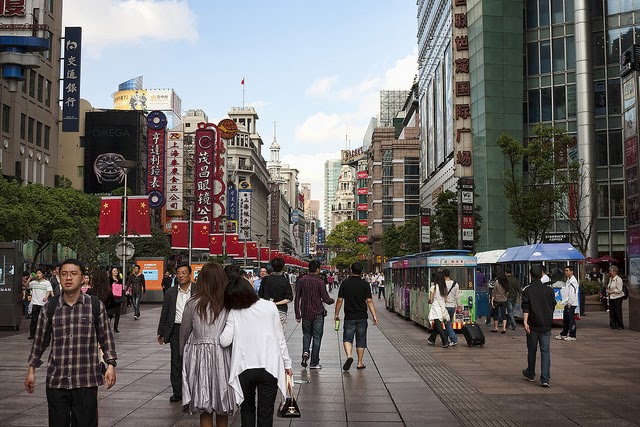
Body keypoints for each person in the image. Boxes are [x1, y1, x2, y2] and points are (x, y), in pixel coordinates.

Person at [25, 258, 117, 426]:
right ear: (59, 277)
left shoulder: (95, 306)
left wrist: (110, 365)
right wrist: (31, 369)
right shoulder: (50, 308)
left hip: (86, 380)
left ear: (82, 278)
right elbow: (40, 341)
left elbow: (106, 338)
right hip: (57, 380)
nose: (68, 278)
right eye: (64, 274)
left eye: (73, 274)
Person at [220, 274, 293, 426]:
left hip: (244, 368)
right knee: (266, 411)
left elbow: (224, 341)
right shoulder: (270, 306)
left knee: (247, 408)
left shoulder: (235, 312)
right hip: (269, 366)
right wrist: (287, 364)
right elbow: (280, 338)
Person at [180, 263, 237, 427]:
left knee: (204, 404)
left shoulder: (193, 303)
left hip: (198, 355)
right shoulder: (228, 303)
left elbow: (184, 331)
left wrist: (182, 354)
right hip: (223, 354)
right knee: (222, 403)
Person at [158, 263, 195, 402]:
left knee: (193, 360)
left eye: (184, 272)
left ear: (190, 274)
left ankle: (192, 390)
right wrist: (161, 331)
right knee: (176, 360)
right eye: (179, 273)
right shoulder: (170, 292)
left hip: (193, 329)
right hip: (176, 329)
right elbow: (165, 313)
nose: (181, 275)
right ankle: (178, 392)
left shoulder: (198, 290)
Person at [334, 262, 378, 370]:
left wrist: (336, 314)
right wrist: (374, 316)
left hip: (349, 316)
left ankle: (349, 356)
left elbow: (340, 300)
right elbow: (369, 301)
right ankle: (359, 363)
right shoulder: (365, 284)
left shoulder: (345, 283)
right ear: (361, 271)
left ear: (351, 270)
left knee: (347, 339)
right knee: (361, 339)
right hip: (362, 316)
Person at [294, 260, 334, 369]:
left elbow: (297, 298)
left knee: (306, 334)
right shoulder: (320, 282)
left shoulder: (301, 281)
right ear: (317, 269)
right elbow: (326, 299)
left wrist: (298, 314)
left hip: (305, 313)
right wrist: (332, 301)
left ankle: (306, 352)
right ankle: (314, 362)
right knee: (317, 337)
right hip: (317, 313)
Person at [521, 265, 556, 387]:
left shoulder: (527, 290)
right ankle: (545, 378)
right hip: (546, 325)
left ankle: (530, 373)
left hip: (533, 324)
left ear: (531, 275)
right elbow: (553, 305)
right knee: (545, 351)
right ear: (542, 274)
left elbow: (526, 307)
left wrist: (525, 322)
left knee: (532, 350)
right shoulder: (549, 290)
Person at [258, 257, 293, 332]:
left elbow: (260, 295)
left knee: (267, 333)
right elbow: (289, 298)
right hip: (280, 310)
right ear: (283, 267)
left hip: (267, 310)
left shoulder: (265, 279)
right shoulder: (284, 281)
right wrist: (276, 303)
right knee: (280, 335)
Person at [28, 267, 53, 340]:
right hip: (35, 303)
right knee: (34, 320)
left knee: (44, 320)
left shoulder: (47, 283)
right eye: (37, 273)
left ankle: (44, 335)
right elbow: (27, 285)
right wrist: (30, 278)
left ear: (43, 274)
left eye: (39, 273)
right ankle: (32, 334)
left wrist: (46, 297)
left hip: (43, 304)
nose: (38, 275)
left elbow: (49, 291)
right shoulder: (33, 283)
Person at [427, 271, 450, 348]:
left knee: (439, 327)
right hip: (442, 308)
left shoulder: (433, 287)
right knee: (437, 326)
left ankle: (445, 341)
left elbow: (430, 299)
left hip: (436, 308)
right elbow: (446, 299)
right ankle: (431, 339)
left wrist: (430, 301)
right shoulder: (444, 287)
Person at [556, 266, 578, 341]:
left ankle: (572, 335)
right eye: (565, 270)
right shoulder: (568, 281)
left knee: (571, 320)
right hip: (567, 303)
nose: (566, 272)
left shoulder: (573, 282)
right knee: (565, 320)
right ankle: (564, 334)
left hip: (571, 304)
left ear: (571, 272)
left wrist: (570, 303)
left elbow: (573, 293)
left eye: (567, 270)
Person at [442, 269, 460, 346]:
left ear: (443, 275)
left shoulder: (442, 284)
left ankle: (454, 339)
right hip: (452, 307)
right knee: (448, 323)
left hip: (445, 307)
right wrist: (459, 305)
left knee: (448, 323)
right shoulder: (455, 284)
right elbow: (457, 297)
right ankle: (445, 339)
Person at [606, 265, 625, 330]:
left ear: (615, 272)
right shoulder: (611, 279)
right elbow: (609, 286)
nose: (610, 273)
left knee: (617, 311)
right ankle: (613, 324)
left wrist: (612, 291)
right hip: (611, 297)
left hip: (617, 297)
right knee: (612, 311)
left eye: (611, 271)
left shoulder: (618, 279)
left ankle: (620, 324)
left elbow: (620, 290)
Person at [109, 267, 125, 333]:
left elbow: (122, 287)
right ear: (111, 272)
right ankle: (108, 326)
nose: (115, 272)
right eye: (114, 271)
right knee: (110, 313)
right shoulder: (109, 279)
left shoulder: (120, 280)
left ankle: (116, 327)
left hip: (118, 297)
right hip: (111, 298)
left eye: (116, 271)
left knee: (118, 313)